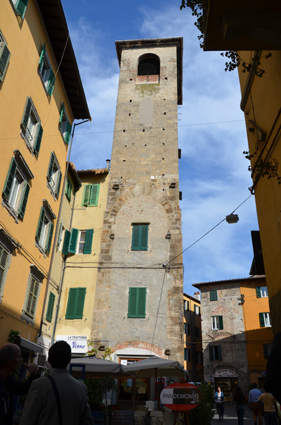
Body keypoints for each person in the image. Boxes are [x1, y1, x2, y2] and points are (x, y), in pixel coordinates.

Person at [19, 340, 94, 425]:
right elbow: (87, 422)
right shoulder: (81, 388)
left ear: (49, 360)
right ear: (69, 360)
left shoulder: (39, 385)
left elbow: (28, 419)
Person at [0, 343, 39, 425]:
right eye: (18, 357)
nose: (21, 360)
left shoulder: (8, 380)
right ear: (7, 359)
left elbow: (24, 389)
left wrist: (33, 374)